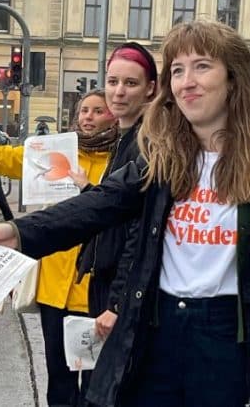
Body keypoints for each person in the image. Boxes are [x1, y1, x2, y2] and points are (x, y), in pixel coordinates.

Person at [0, 20, 250, 407]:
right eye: (177, 70)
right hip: (155, 333)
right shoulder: (159, 158)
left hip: (229, 342)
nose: (186, 81)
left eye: (202, 66)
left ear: (234, 79)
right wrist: (18, 233)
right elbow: (98, 205)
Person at [0, 89, 117, 406]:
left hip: (95, 290)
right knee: (58, 379)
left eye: (98, 111)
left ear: (113, 115)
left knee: (95, 382)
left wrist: (89, 188)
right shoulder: (56, 152)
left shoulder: (121, 160)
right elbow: (1, 159)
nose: (88, 116)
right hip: (53, 288)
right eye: (84, 110)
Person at [72, 42, 157, 344]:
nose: (119, 91)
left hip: (117, 288)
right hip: (103, 276)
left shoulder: (147, 142)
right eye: (113, 81)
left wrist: (117, 302)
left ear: (150, 89)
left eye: (130, 83)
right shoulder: (123, 137)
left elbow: (138, 229)